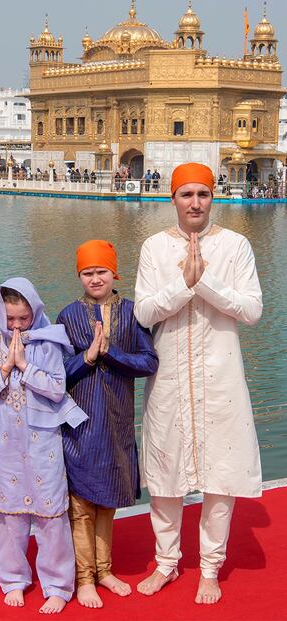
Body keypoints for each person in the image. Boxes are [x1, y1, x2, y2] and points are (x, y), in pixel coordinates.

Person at [134, 163, 262, 605]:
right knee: (166, 477)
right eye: (186, 194)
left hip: (221, 377)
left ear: (214, 197)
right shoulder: (153, 248)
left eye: (203, 194)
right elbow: (144, 313)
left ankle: (210, 568)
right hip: (168, 377)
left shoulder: (236, 245)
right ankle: (166, 564)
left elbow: (252, 310)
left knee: (220, 478)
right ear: (172, 199)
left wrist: (202, 282)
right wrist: (182, 284)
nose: (194, 203)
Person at [0, 278, 87, 613]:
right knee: (6, 517)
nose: (17, 326)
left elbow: (56, 388)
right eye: (10, 319)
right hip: (2, 442)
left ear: (35, 312)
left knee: (51, 515)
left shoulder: (49, 341)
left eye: (23, 318)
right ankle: (13, 579)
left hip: (42, 442)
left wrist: (25, 365)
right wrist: (6, 365)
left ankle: (58, 585)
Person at [57, 240, 159, 609]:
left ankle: (105, 570)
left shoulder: (133, 314)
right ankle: (84, 578)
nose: (95, 278)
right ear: (79, 275)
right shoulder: (67, 316)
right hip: (80, 424)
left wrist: (110, 352)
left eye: (101, 271)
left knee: (106, 503)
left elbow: (149, 363)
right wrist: (86, 357)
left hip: (116, 422)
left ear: (114, 272)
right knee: (81, 501)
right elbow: (57, 373)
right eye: (87, 272)